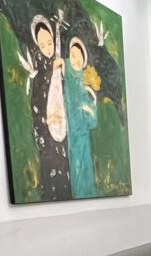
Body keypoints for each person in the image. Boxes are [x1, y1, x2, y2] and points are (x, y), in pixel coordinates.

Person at [27, 15, 71, 201]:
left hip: (64, 132)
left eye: (50, 43)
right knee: (52, 173)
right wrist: (51, 73)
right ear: (38, 46)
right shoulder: (39, 75)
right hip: (47, 135)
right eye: (42, 45)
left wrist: (62, 72)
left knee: (66, 173)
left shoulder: (61, 68)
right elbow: (36, 105)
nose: (48, 48)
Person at [63, 38, 98, 198]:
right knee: (72, 169)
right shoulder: (66, 74)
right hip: (67, 134)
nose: (75, 60)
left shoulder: (86, 82)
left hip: (82, 136)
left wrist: (89, 108)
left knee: (83, 170)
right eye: (72, 55)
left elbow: (93, 122)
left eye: (79, 56)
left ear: (84, 59)